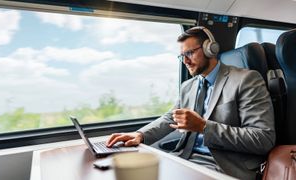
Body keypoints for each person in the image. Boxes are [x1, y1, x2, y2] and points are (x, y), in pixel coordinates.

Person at [106, 26, 275, 180]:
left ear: (211, 49)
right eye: (182, 56)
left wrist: (203, 126)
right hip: (184, 158)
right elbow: (170, 118)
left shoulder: (246, 80)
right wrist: (140, 135)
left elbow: (263, 139)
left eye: (190, 53)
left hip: (223, 167)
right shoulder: (188, 86)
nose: (185, 61)